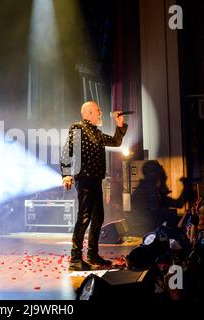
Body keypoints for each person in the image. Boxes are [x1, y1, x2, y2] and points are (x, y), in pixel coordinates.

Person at [60, 101, 127, 271]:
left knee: (98, 217)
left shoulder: (97, 132)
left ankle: (92, 254)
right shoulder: (78, 127)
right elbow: (66, 150)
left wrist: (120, 126)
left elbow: (115, 142)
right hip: (85, 178)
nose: (100, 113)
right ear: (89, 112)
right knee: (84, 217)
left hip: (96, 180)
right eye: (98, 111)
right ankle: (75, 259)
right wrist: (66, 174)